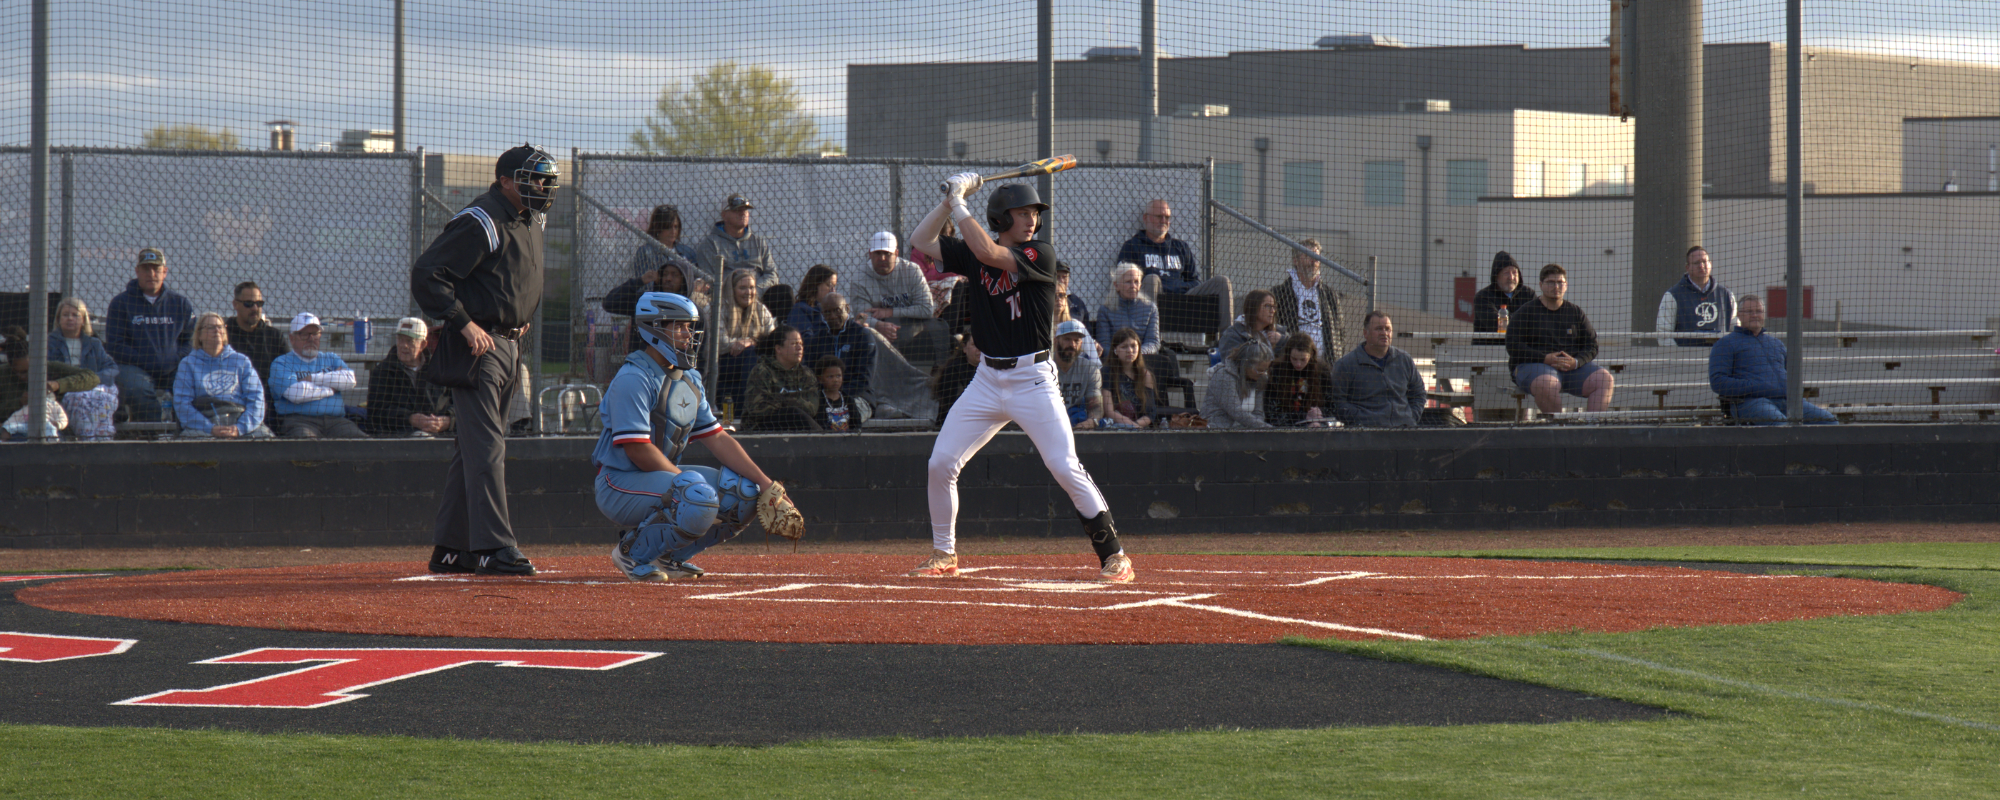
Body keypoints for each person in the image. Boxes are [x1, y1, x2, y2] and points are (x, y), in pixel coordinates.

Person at [908, 175, 1133, 583]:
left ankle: (1114, 555)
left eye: (1033, 212)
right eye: (1021, 212)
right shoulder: (976, 252)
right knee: (940, 462)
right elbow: (921, 241)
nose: (1031, 219)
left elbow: (988, 250)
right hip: (987, 380)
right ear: (1001, 216)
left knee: (1064, 466)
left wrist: (960, 204)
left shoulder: (1039, 253)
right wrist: (947, 201)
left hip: (1033, 379)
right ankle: (944, 553)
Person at [409, 143, 558, 576]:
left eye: (547, 180)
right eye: (535, 178)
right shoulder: (483, 218)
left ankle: (452, 549)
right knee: (488, 448)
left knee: (472, 450)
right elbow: (427, 274)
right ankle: (494, 547)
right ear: (506, 180)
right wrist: (463, 322)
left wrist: (518, 318)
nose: (543, 187)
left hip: (510, 345)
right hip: (479, 347)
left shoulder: (530, 218)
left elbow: (506, 280)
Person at [598, 292, 795, 581]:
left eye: (689, 327)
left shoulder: (689, 378)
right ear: (654, 328)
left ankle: (668, 557)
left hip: (661, 480)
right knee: (696, 494)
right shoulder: (634, 378)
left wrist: (768, 485)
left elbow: (718, 438)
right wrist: (687, 489)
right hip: (618, 483)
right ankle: (631, 552)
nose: (688, 335)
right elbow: (637, 450)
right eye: (679, 326)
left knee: (746, 493)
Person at [1709, 295, 1837, 425]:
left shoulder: (1776, 344)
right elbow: (1718, 382)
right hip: (1752, 402)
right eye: (1749, 311)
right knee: (1782, 428)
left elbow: (1791, 376)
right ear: (1739, 315)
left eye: (1758, 311)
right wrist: (1754, 386)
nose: (1754, 315)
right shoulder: (1725, 344)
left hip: (1790, 402)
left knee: (1830, 423)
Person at [1505, 264, 1615, 414]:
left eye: (1560, 282)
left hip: (1571, 369)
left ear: (1566, 285)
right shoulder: (1526, 312)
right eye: (1550, 282)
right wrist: (1545, 358)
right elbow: (1513, 346)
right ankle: (1558, 429)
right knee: (1546, 383)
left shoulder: (1575, 312)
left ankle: (1591, 429)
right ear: (1541, 285)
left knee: (1605, 379)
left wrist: (1576, 362)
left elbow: (1592, 346)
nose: (1556, 286)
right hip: (1533, 366)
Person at [102, 247, 193, 422]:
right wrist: (145, 359)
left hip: (173, 367)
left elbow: (190, 341)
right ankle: (151, 437)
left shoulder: (180, 304)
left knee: (190, 387)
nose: (151, 274)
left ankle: (185, 434)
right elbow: (115, 346)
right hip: (135, 368)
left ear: (165, 272)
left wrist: (174, 359)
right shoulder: (120, 303)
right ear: (137, 271)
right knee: (138, 391)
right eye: (146, 269)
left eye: (156, 269)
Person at [1116, 199, 1232, 336]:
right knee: (1152, 279)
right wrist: (1171, 286)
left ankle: (1227, 341)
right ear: (1145, 218)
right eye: (1159, 216)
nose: (1163, 220)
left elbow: (1195, 281)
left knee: (1222, 282)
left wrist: (1177, 287)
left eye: (1167, 217)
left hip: (1182, 301)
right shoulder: (1132, 246)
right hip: (1154, 300)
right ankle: (1149, 338)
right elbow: (1123, 283)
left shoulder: (1180, 247)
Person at [604, 205, 705, 353]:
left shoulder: (686, 252)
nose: (673, 231)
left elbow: (696, 280)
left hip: (684, 299)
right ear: (658, 228)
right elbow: (647, 286)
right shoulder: (646, 252)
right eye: (668, 227)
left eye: (676, 227)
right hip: (659, 303)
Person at [173, 313, 271, 438]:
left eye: (220, 327)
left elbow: (257, 399)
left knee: (266, 439)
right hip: (204, 423)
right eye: (211, 327)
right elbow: (182, 405)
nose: (217, 330)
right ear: (200, 335)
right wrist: (210, 428)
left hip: (238, 418)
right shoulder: (187, 364)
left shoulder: (241, 361)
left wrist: (240, 428)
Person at [268, 312, 365, 439]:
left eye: (315, 333)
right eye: (304, 334)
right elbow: (296, 394)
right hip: (299, 421)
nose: (311, 338)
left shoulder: (331, 358)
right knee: (307, 444)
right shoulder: (281, 363)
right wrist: (331, 389)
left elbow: (350, 380)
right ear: (292, 338)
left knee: (363, 442)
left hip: (336, 421)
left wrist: (313, 378)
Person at [1329, 311, 1427, 428]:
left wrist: (1410, 417)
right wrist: (1359, 419)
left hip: (1403, 433)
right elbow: (1336, 401)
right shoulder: (1346, 364)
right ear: (1366, 333)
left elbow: (1419, 393)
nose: (1384, 333)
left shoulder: (1404, 360)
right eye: (1378, 329)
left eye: (1388, 329)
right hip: (1364, 436)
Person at [847, 231, 938, 354]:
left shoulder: (912, 271)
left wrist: (890, 312)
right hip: (879, 333)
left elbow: (927, 309)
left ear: (896, 253)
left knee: (939, 327)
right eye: (878, 253)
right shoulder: (860, 278)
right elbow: (861, 318)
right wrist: (878, 325)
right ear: (870, 254)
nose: (882, 258)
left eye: (887, 253)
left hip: (912, 328)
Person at [1, 326, 99, 439]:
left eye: (31, 370)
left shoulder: (49, 367)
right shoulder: (3, 374)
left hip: (52, 428)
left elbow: (92, 377)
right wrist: (18, 403)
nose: (28, 376)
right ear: (12, 367)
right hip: (14, 430)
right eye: (22, 372)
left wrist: (57, 385)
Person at [367, 318, 454, 437]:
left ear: (423, 344)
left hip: (443, 435)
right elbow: (376, 412)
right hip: (399, 436)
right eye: (400, 340)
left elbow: (462, 406)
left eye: (410, 340)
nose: (404, 346)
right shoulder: (383, 371)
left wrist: (448, 421)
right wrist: (410, 419)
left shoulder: (441, 370)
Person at [47, 298, 120, 439]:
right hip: (66, 389)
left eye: (75, 315)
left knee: (102, 397)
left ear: (83, 319)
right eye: (66, 315)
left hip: (91, 386)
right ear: (58, 319)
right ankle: (87, 440)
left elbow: (112, 368)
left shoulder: (94, 343)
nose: (70, 319)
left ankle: (103, 438)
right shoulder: (49, 342)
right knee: (80, 398)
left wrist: (94, 380)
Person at [1269, 238, 1344, 358]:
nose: (1313, 260)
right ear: (1296, 261)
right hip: (1291, 364)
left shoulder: (1330, 295)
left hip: (1324, 368)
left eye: (1317, 257)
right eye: (1308, 255)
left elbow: (1340, 333)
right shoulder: (1279, 294)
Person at [715, 268, 776, 409]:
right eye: (742, 288)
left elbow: (774, 339)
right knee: (751, 353)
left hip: (753, 357)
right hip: (725, 360)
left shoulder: (760, 309)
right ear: (732, 290)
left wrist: (750, 342)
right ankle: (751, 404)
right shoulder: (719, 309)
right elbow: (721, 343)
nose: (748, 292)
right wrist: (744, 345)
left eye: (752, 288)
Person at [1656, 245, 1738, 347]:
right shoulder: (1672, 296)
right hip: (1686, 360)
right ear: (1687, 267)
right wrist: (1680, 357)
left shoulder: (1726, 295)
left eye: (1704, 261)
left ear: (1710, 264)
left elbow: (1735, 331)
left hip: (1720, 360)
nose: (1701, 266)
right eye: (1696, 263)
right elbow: (1664, 334)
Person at [693, 193, 779, 290]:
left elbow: (772, 274)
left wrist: (753, 290)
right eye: (737, 210)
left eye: (745, 210)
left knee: (784, 291)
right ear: (724, 215)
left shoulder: (759, 242)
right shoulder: (710, 244)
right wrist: (735, 293)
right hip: (726, 298)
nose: (742, 213)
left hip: (757, 294)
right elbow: (709, 279)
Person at [742, 325, 819, 432]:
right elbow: (759, 408)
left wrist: (780, 400)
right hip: (762, 428)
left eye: (801, 344)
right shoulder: (762, 371)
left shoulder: (806, 374)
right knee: (794, 413)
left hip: (798, 426)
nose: (799, 348)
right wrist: (793, 403)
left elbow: (812, 408)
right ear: (778, 349)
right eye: (794, 344)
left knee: (796, 414)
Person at [804, 293, 875, 398]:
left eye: (837, 310)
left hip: (858, 397)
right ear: (822, 314)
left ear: (847, 309)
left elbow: (864, 379)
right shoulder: (817, 340)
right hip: (824, 398)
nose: (832, 316)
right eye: (827, 312)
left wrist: (838, 396)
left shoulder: (862, 336)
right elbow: (811, 376)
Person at [224, 281, 289, 385]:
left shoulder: (274, 337)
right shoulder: (223, 336)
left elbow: (287, 372)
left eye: (259, 303)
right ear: (236, 304)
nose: (255, 308)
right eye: (248, 304)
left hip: (268, 397)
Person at [1264, 332, 1334, 427]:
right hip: (1285, 428)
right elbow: (1271, 412)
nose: (1298, 364)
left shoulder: (1322, 373)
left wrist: (1319, 413)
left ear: (1311, 355)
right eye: (1294, 359)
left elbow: (1332, 407)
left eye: (1303, 360)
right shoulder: (1277, 371)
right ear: (1288, 355)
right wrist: (1304, 417)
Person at [1202, 340, 1274, 429]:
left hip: (1245, 431)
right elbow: (1236, 411)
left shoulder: (1260, 378)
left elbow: (1258, 413)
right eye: (1259, 370)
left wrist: (1259, 430)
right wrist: (1266, 428)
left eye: (1265, 370)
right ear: (1245, 364)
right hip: (1217, 429)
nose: (1262, 374)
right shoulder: (1224, 376)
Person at [1471, 251, 1536, 346]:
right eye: (1506, 273)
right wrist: (1525, 319)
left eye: (1514, 272)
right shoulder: (1483, 297)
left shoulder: (1528, 294)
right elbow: (1495, 324)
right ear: (1496, 276)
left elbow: (1537, 321)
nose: (1511, 277)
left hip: (1523, 351)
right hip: (1489, 350)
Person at [1100, 327, 1159, 429]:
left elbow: (1150, 413)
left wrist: (1136, 426)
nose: (1130, 350)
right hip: (1114, 427)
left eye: (1133, 346)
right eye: (1124, 347)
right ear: (1115, 350)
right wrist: (1130, 425)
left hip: (1140, 428)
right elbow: (1108, 411)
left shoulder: (1145, 375)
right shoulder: (1106, 372)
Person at [1096, 262, 1160, 355]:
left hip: (1144, 361)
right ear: (1116, 285)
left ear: (1140, 285)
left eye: (1136, 282)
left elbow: (1153, 342)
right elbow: (1104, 344)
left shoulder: (1150, 309)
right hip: (1115, 362)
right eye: (1128, 282)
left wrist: (1135, 354)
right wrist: (1121, 355)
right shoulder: (1105, 310)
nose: (1133, 286)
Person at [1052, 320, 1103, 430]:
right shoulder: (1045, 367)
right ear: (1056, 341)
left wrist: (1091, 421)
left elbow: (1095, 405)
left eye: (1076, 340)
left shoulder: (1090, 369)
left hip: (1077, 420)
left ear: (1081, 344)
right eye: (1067, 339)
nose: (1072, 344)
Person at [1218, 289, 1287, 358]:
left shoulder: (1279, 331)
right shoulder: (1233, 333)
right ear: (1254, 307)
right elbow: (1230, 361)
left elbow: (1296, 349)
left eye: (1274, 307)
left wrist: (1282, 341)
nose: (1272, 311)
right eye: (1267, 306)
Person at [930, 333, 979, 427]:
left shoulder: (991, 369)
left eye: (983, 345)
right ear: (964, 348)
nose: (979, 349)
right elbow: (954, 405)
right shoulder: (953, 370)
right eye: (974, 345)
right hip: (953, 425)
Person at [812, 355, 866, 432]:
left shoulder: (848, 399)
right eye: (830, 377)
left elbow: (856, 424)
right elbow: (820, 424)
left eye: (838, 376)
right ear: (820, 379)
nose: (835, 380)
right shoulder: (818, 400)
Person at [787, 264, 839, 335]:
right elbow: (805, 340)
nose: (833, 290)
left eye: (834, 286)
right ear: (815, 284)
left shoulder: (835, 311)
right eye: (829, 285)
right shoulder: (800, 310)